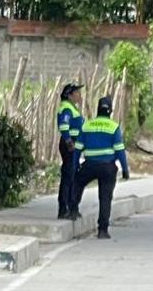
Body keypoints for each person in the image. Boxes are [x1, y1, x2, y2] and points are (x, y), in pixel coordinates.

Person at [74, 96, 130, 239]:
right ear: (110, 111)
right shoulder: (113, 127)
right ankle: (102, 230)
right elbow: (119, 150)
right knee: (105, 198)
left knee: (77, 184)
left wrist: (75, 166)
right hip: (107, 167)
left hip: (90, 165)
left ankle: (73, 209)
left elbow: (78, 148)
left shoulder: (87, 125)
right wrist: (125, 169)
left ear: (97, 110)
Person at [56, 83, 84, 220]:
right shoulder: (67, 108)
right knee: (68, 176)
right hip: (70, 144)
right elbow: (64, 126)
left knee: (73, 176)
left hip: (74, 143)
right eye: (77, 93)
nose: (80, 95)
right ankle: (64, 208)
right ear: (70, 95)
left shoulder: (72, 108)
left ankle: (72, 207)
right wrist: (69, 142)